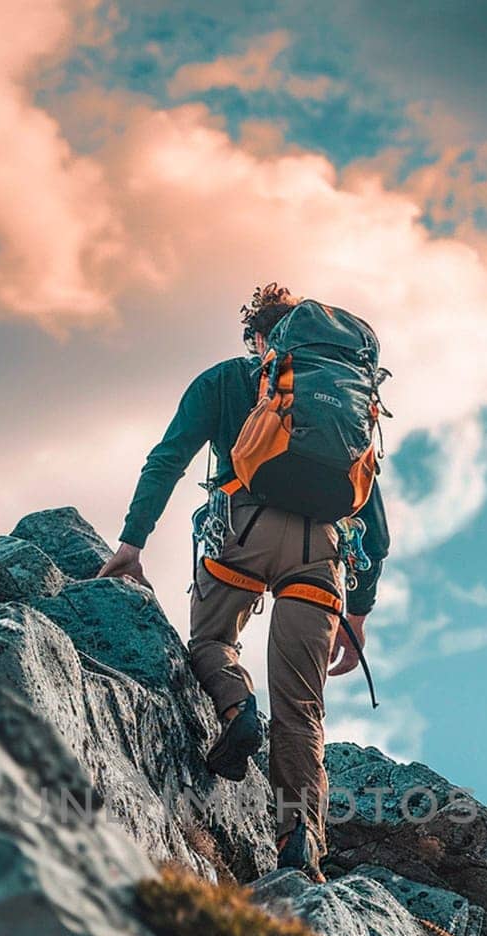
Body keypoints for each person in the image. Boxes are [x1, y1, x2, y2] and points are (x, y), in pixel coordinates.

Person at [98, 284, 389, 881]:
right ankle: (301, 842)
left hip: (241, 533)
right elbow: (375, 528)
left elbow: (167, 458)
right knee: (302, 709)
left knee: (210, 641)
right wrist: (356, 614)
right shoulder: (341, 397)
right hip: (320, 555)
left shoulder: (226, 381)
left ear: (261, 337)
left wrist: (133, 541)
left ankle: (235, 710)